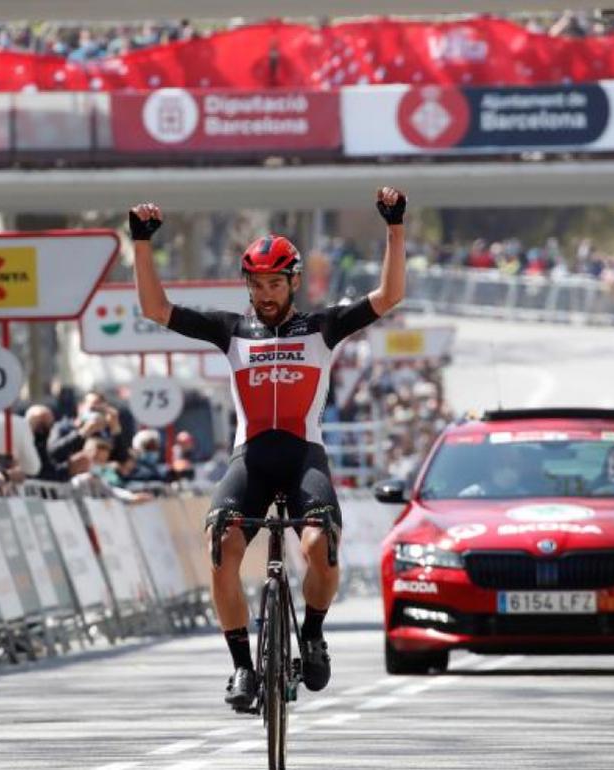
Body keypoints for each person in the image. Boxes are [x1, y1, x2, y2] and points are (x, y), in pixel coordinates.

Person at [129, 186, 407, 709]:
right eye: (256, 284)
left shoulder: (321, 328)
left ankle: (314, 634)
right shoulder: (232, 331)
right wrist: (142, 242)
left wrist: (394, 227)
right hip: (251, 460)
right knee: (221, 548)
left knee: (319, 548)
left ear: (293, 281)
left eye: (274, 283)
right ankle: (241, 669)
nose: (264, 294)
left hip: (304, 458)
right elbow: (154, 307)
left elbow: (389, 296)